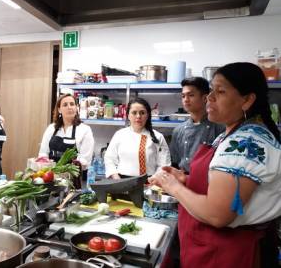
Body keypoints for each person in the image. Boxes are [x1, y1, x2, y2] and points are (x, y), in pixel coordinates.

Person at [150, 62, 281, 268]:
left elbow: (217, 214)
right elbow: (220, 184)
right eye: (211, 90)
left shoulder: (246, 144)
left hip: (228, 253)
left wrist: (172, 187)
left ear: (247, 100)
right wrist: (185, 178)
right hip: (211, 246)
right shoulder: (231, 133)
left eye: (220, 91)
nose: (209, 97)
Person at [104, 97, 171, 179]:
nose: (138, 116)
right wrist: (116, 179)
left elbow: (164, 165)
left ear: (147, 115)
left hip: (151, 182)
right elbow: (109, 159)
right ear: (128, 115)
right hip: (122, 181)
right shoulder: (120, 135)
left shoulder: (158, 137)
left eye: (142, 113)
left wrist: (154, 180)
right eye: (134, 113)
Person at [170, 77, 224, 173]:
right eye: (183, 96)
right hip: (182, 181)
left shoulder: (220, 128)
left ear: (205, 98)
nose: (186, 100)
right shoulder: (178, 130)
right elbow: (175, 162)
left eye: (190, 95)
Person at [39, 93, 94, 172]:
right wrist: (47, 168)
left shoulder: (85, 130)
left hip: (74, 178)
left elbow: (84, 161)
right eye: (65, 105)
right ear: (59, 110)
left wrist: (64, 170)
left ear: (76, 108)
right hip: (51, 175)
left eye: (72, 104)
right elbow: (43, 154)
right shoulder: (51, 128)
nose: (69, 107)